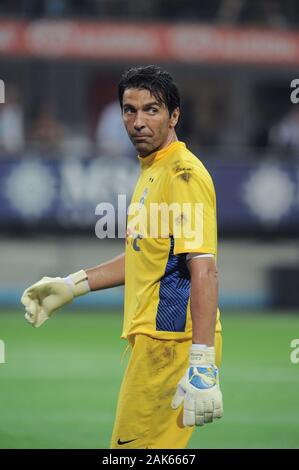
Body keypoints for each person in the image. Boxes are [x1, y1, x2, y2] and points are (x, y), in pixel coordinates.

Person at [21, 65, 223, 449]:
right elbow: (146, 256)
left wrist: (202, 363)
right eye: (130, 110)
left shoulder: (182, 174)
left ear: (174, 115)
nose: (139, 121)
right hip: (158, 341)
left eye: (152, 109)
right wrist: (73, 284)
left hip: (171, 343)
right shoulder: (154, 170)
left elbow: (205, 270)